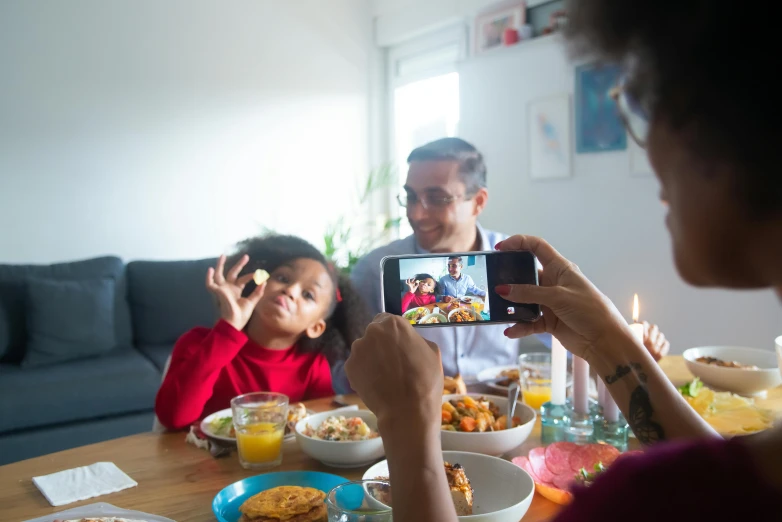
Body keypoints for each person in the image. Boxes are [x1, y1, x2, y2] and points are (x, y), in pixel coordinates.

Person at [344, 0, 782, 519]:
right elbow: (727, 476)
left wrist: (409, 433)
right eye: (410, 197)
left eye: (641, 106)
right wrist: (609, 339)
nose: (651, 158)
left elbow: (707, 480)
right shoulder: (375, 269)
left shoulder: (633, 497)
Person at [351, 137, 546, 378]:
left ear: (478, 202)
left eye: (437, 199)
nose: (416, 214)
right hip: (411, 410)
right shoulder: (371, 271)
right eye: (411, 197)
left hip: (502, 407)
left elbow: (562, 345)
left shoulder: (515, 261)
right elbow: (350, 371)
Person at [155, 235, 369, 430]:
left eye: (307, 294)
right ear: (261, 282)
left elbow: (317, 430)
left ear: (315, 327)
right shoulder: (196, 343)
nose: (290, 290)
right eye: (284, 278)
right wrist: (228, 329)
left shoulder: (313, 367)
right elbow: (173, 418)